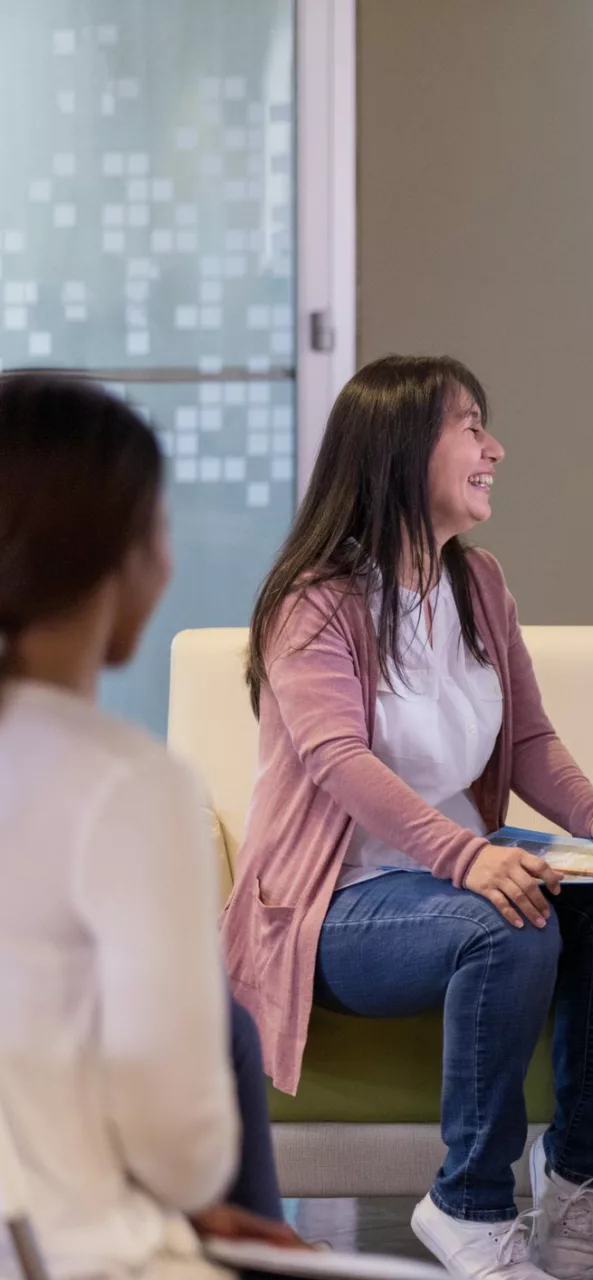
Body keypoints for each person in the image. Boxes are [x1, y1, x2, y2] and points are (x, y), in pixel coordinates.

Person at [223, 356, 593, 1280]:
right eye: (470, 426)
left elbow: (531, 736)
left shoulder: (481, 584)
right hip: (338, 903)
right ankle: (467, 1204)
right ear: (400, 450)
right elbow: (337, 760)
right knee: (505, 926)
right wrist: (467, 858)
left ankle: (574, 1191)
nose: (493, 447)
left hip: (454, 866)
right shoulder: (316, 603)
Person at [0, 374, 300, 1278]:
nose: (168, 563)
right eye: (159, 528)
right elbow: (181, 1148)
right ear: (114, 553)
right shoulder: (128, 785)